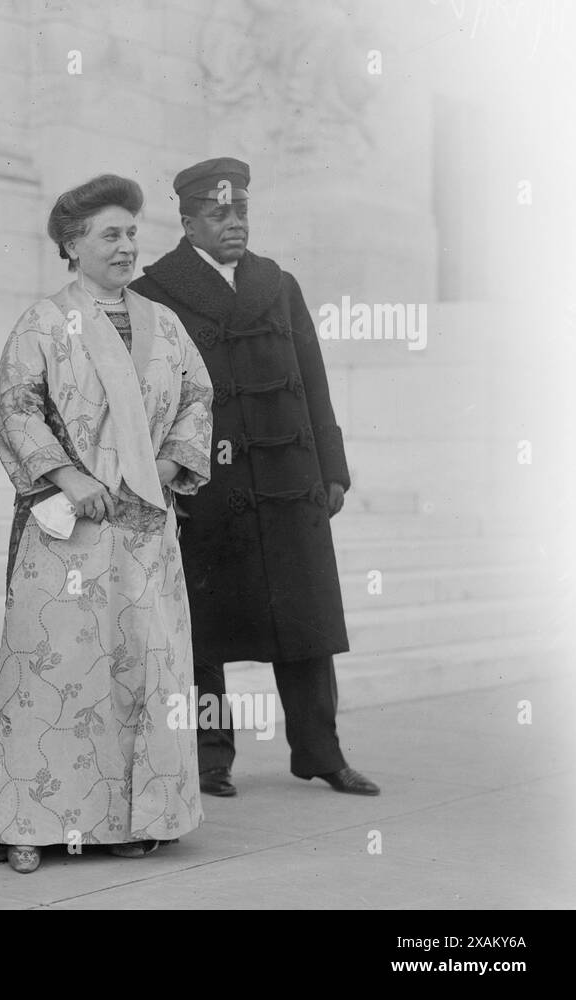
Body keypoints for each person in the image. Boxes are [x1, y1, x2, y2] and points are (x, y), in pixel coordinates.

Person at [0, 175, 213, 874]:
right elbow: (13, 408)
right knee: (57, 674)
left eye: (133, 233)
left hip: (144, 525)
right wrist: (71, 477)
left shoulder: (164, 324)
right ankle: (29, 821)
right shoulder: (44, 321)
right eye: (110, 234)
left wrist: (166, 471)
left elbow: (198, 396)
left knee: (144, 668)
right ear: (72, 246)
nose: (127, 246)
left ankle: (134, 819)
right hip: (70, 527)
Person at [131, 157, 380, 798]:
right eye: (218, 214)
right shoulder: (156, 293)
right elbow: (152, 398)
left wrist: (333, 468)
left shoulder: (278, 282)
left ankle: (320, 753)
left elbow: (314, 378)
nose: (234, 223)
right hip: (209, 487)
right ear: (187, 222)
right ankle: (211, 760)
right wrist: (164, 484)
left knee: (306, 619)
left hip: (290, 480)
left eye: (240, 210)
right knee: (205, 628)